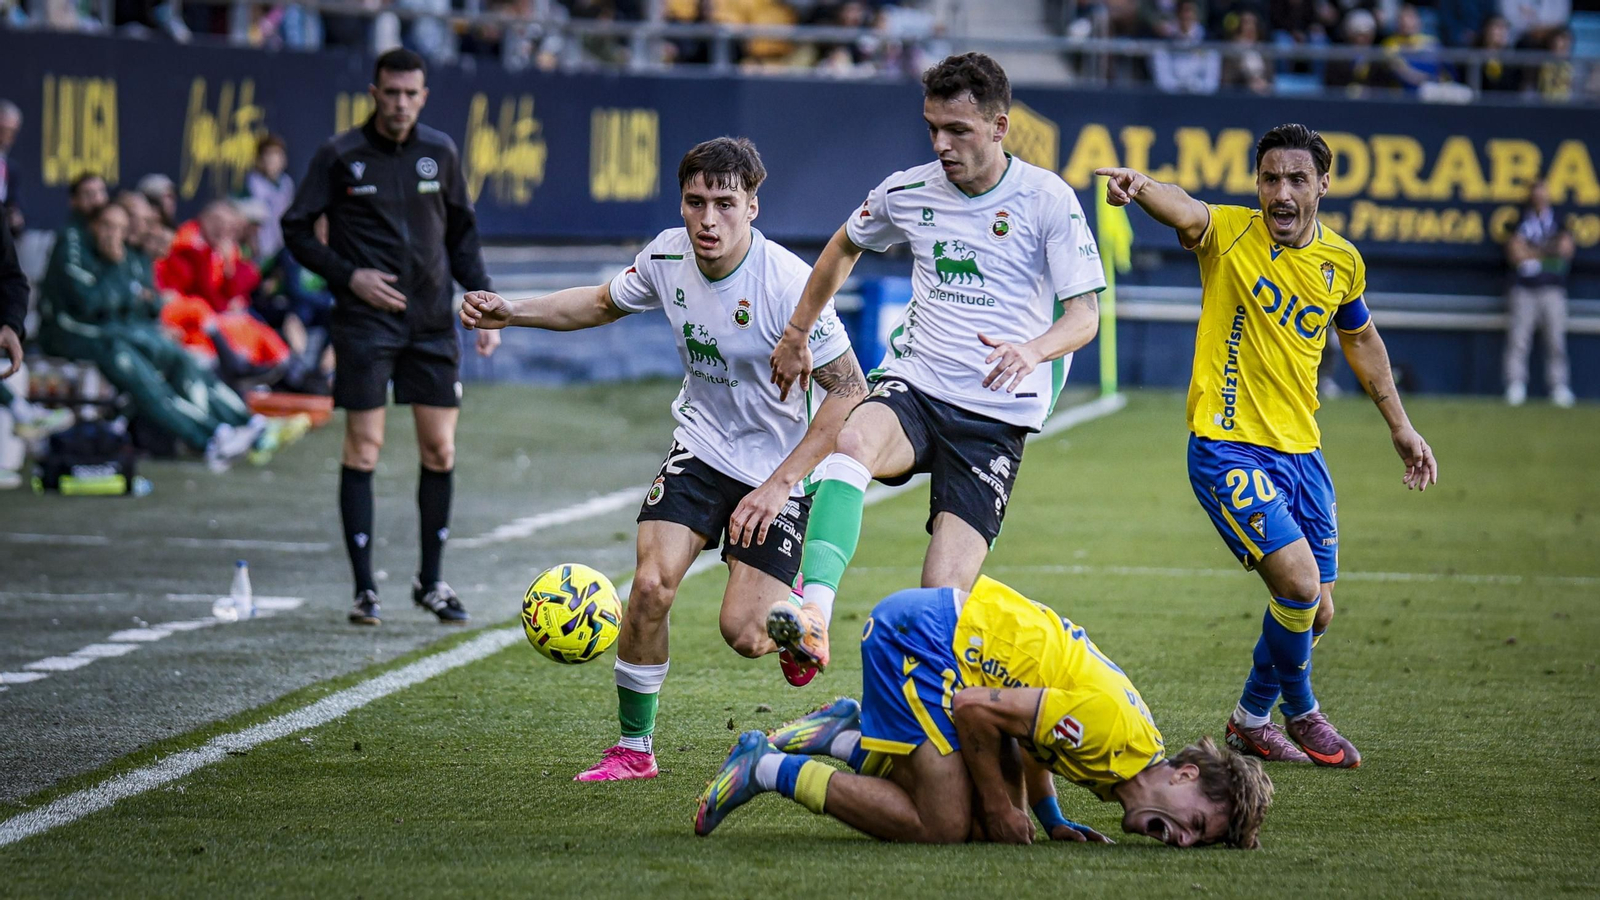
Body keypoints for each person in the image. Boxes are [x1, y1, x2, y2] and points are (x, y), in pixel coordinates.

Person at [461, 137, 869, 781]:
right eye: (695, 202)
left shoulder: (790, 284)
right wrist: (511, 311)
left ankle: (794, 619)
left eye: (724, 204)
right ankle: (634, 748)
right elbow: (601, 302)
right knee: (649, 588)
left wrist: (780, 484)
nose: (708, 219)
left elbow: (850, 391)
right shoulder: (666, 255)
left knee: (744, 634)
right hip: (701, 448)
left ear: (752, 207)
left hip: (778, 470)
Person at [1095, 124, 1438, 769]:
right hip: (1227, 446)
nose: (1281, 193)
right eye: (1270, 179)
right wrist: (1141, 188)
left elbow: (1361, 340)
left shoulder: (1341, 262)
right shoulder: (1229, 233)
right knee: (1300, 583)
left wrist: (1400, 425)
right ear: (1256, 183)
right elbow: (1185, 208)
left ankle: (1250, 721)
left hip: (1302, 453)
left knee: (1317, 611)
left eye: (1297, 179)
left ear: (1323, 185)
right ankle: (1302, 712)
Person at [766, 52, 1105, 672]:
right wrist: (797, 331)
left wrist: (1032, 350)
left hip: (994, 419)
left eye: (958, 130)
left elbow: (1086, 316)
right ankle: (814, 613)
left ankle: (933, 714)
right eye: (933, 129)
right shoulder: (907, 191)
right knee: (852, 443)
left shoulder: (1047, 199)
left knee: (937, 604)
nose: (942, 145)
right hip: (916, 386)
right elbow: (844, 245)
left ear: (1000, 127)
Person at [695, 576, 1273, 849]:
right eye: (1196, 824)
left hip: (953, 656)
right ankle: (764, 767)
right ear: (1186, 775)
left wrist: (1048, 817)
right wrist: (1000, 806)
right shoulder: (1113, 734)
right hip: (924, 641)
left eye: (1197, 840)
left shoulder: (1129, 760)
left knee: (987, 828)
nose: (1183, 842)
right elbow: (974, 710)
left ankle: (850, 735)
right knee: (945, 825)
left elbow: (1032, 733)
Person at [282, 48, 499, 627]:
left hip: (430, 323)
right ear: (374, 94)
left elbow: (462, 235)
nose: (401, 103)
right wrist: (349, 276)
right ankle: (364, 590)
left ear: (423, 97)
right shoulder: (339, 155)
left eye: (411, 94)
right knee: (364, 447)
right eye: (392, 93)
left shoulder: (441, 152)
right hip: (364, 323)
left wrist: (485, 302)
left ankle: (431, 582)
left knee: (440, 449)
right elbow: (295, 228)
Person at [36, 203, 263, 469]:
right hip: (94, 338)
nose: (116, 233)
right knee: (150, 384)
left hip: (130, 334)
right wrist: (124, 286)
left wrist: (131, 297)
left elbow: (148, 303)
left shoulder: (129, 253)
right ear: (94, 225)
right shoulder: (85, 247)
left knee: (184, 363)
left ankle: (238, 423)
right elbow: (92, 303)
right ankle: (210, 437)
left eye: (120, 227)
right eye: (110, 226)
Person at [1503, 179, 1575, 408]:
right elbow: (1515, 253)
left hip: (1552, 290)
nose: (1539, 196)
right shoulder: (1519, 220)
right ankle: (1515, 385)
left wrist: (1532, 252)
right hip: (1524, 289)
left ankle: (1558, 386)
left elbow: (1565, 251)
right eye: (1536, 192)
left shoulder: (1560, 220)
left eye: (1543, 191)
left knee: (1556, 340)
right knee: (1519, 339)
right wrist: (1548, 252)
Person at [242, 134, 295, 265]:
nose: (273, 159)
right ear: (260, 159)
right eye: (268, 155)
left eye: (277, 154)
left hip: (282, 247)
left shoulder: (287, 183)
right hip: (261, 251)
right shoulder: (252, 184)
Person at [0, 99, 23, 235]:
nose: (6, 137)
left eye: (12, 132)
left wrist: (15, 217)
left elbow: (13, 204)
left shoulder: (11, 169)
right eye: (3, 130)